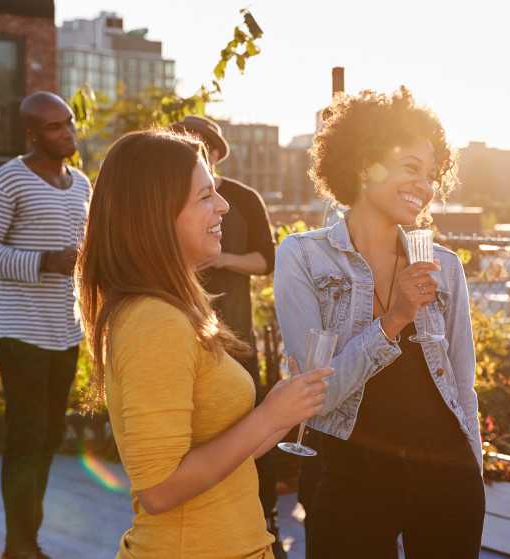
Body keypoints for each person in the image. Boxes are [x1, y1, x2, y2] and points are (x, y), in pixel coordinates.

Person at [76, 129, 332, 559]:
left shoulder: (174, 311)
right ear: (156, 215)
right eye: (205, 196)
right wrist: (270, 413)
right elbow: (159, 489)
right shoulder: (152, 320)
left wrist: (285, 411)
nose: (224, 205)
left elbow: (230, 453)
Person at [274, 88, 485, 559]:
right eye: (411, 168)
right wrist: (394, 319)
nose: (426, 186)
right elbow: (317, 396)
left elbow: (463, 386)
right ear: (366, 164)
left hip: (447, 477)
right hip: (348, 475)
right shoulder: (303, 256)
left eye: (432, 175)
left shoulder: (444, 267)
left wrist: (472, 469)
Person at [0, 91, 91, 559]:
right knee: (26, 436)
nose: (67, 132)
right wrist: (46, 260)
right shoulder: (7, 180)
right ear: (32, 134)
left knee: (49, 436)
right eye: (55, 127)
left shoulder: (81, 184)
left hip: (66, 329)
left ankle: (27, 540)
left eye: (69, 122)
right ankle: (19, 545)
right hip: (19, 329)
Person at [172, 115, 286, 557]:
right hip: (184, 330)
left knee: (253, 421)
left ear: (217, 153)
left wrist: (222, 260)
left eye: (201, 146)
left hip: (234, 332)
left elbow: (266, 260)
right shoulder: (166, 200)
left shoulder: (243, 198)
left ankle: (266, 514)